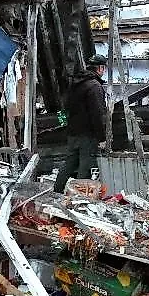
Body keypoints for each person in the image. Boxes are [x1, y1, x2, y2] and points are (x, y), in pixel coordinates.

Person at [54, 55, 108, 193]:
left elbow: (64, 107)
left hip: (73, 133)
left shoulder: (76, 84)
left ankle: (57, 191)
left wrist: (65, 125)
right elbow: (97, 114)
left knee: (69, 163)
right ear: (100, 68)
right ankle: (79, 197)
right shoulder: (95, 86)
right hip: (87, 135)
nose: (103, 71)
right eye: (103, 68)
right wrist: (102, 138)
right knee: (85, 167)